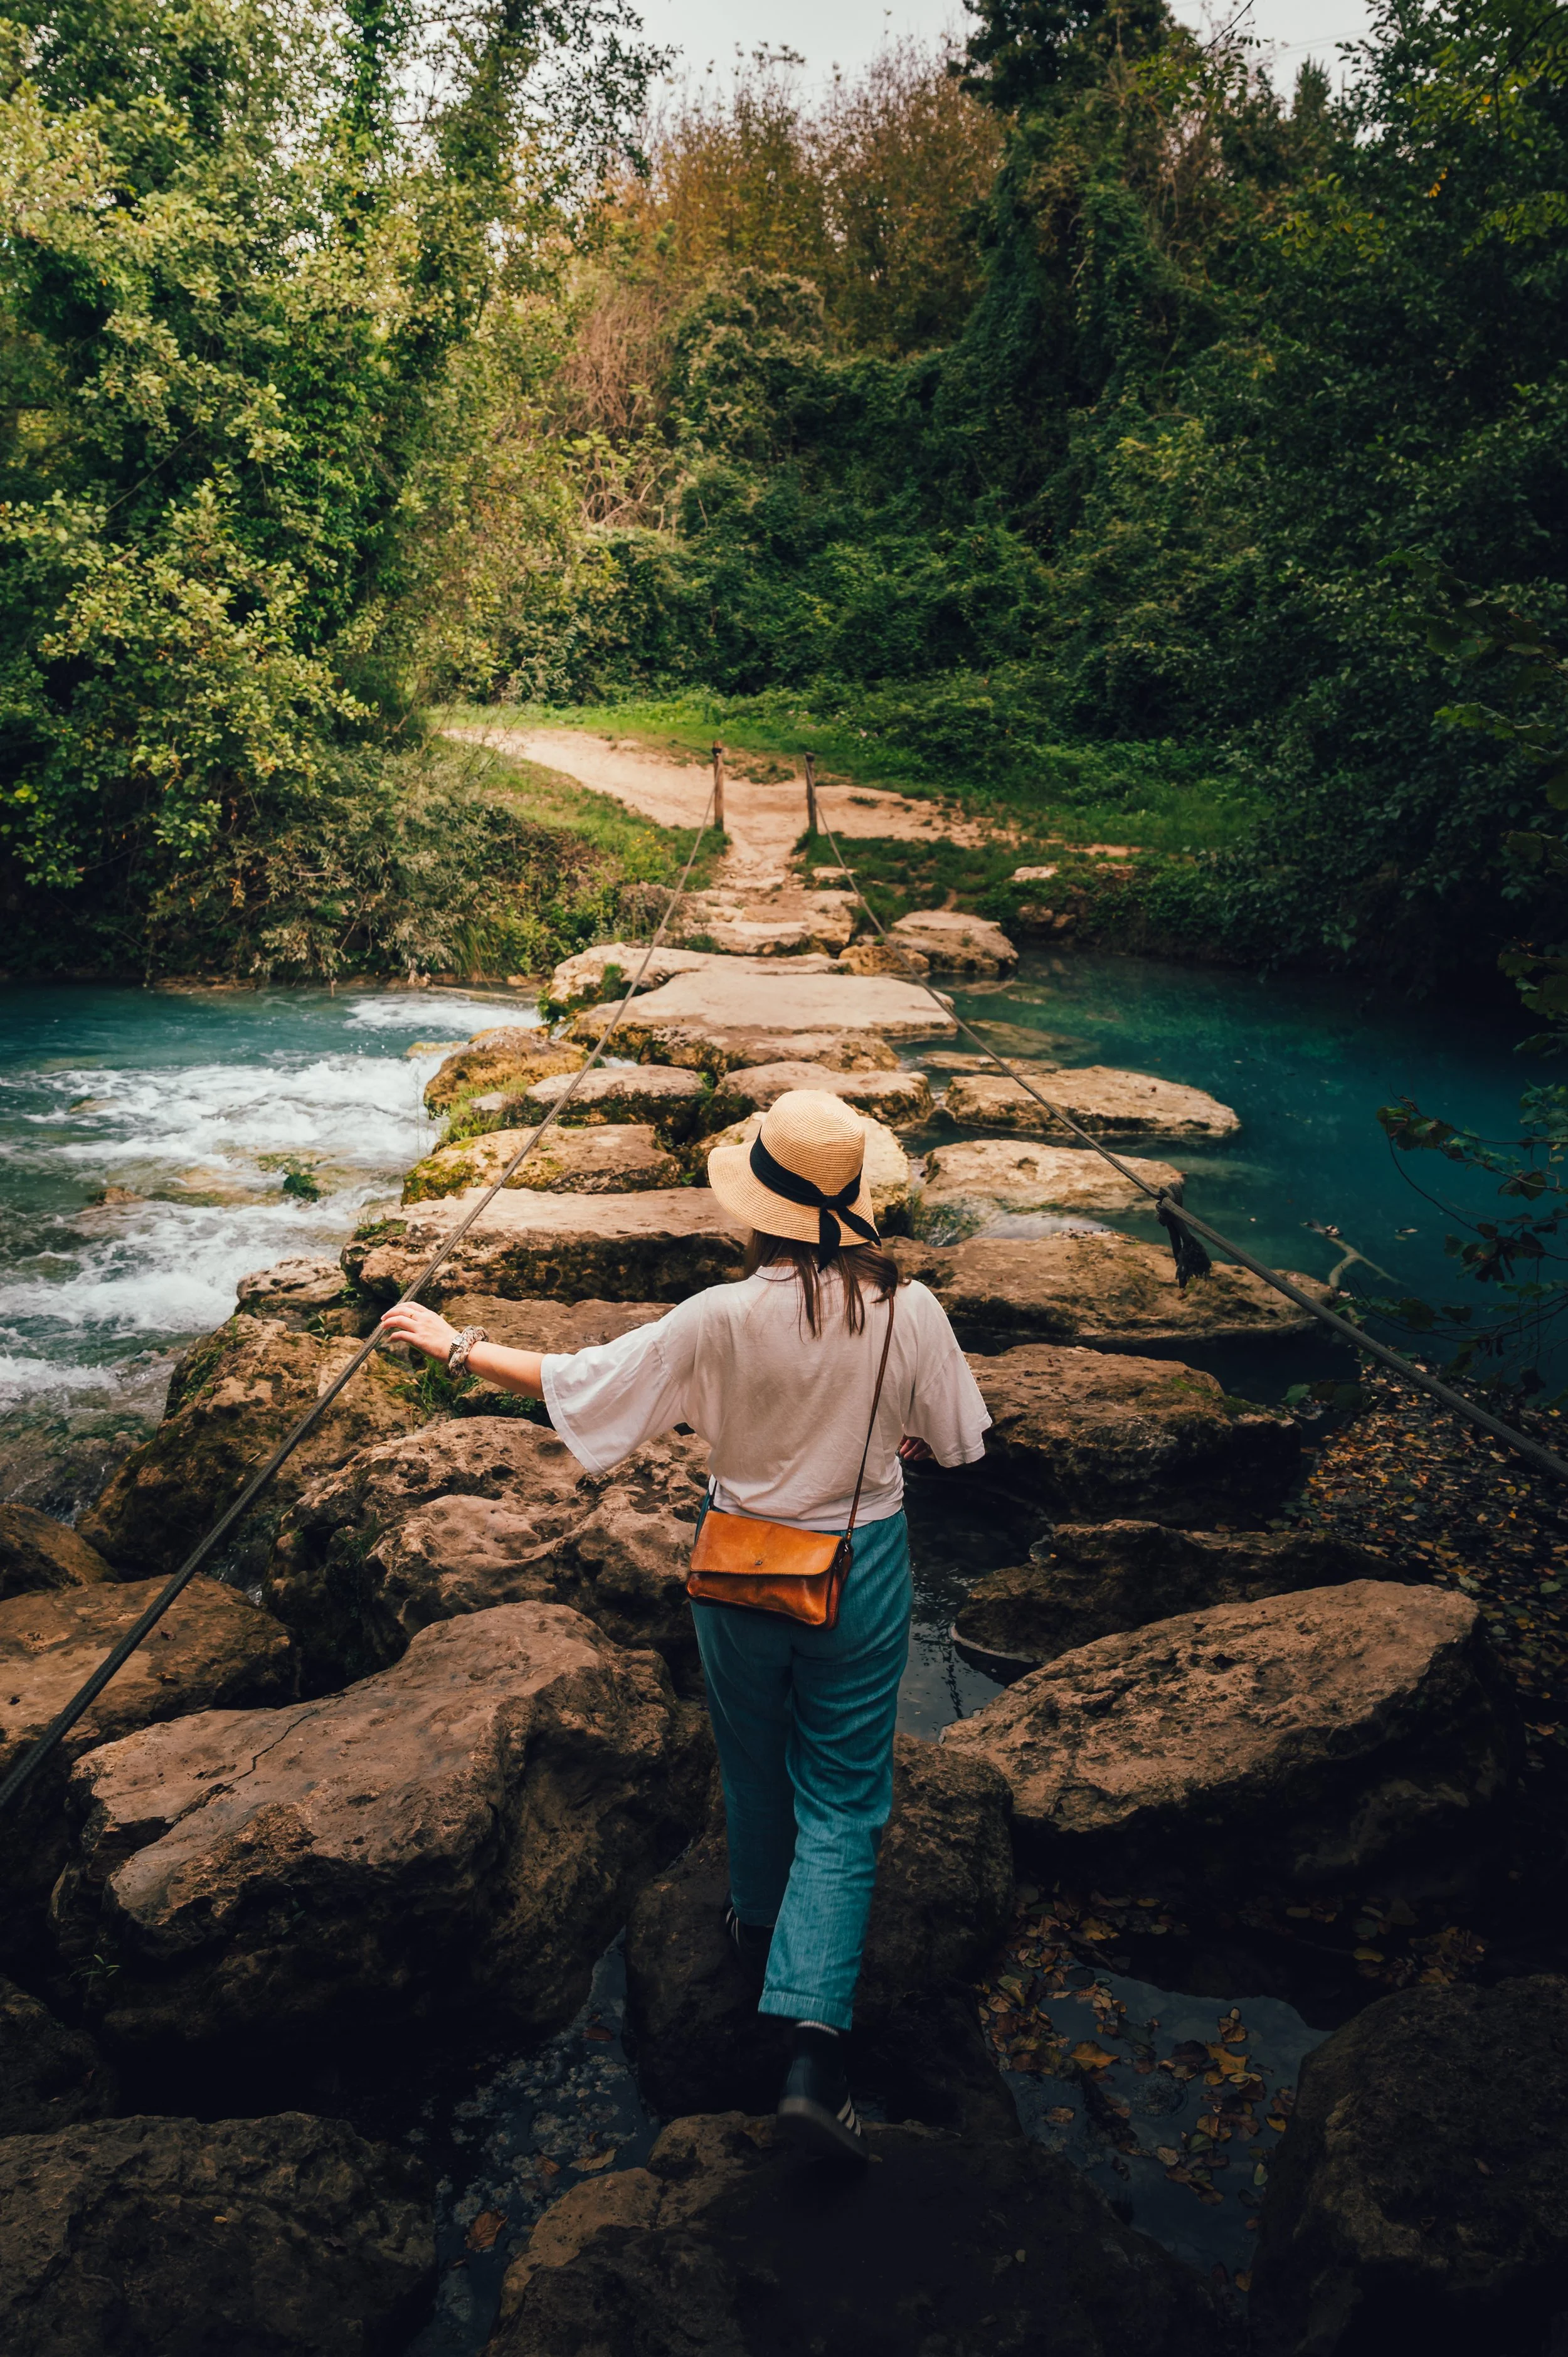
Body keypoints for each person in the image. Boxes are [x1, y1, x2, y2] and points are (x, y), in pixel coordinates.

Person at [382, 1088, 990, 2159]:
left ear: (758, 1207)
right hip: (860, 1569)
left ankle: (755, 1927)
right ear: (852, 1202)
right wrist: (880, 1439)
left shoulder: (717, 1314)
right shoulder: (913, 1310)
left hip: (735, 1566)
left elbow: (579, 1384)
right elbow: (961, 1446)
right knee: (844, 1797)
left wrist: (453, 1343)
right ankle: (814, 2054)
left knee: (750, 1759)